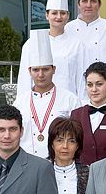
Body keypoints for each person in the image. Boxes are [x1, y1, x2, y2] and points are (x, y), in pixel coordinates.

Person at [14, 30, 84, 159]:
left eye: (45, 69)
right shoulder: (20, 102)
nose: (41, 75)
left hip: (59, 163)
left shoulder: (71, 100)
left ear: (53, 69)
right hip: (26, 162)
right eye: (36, 70)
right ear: (29, 71)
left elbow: (78, 135)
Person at [71, 62, 106, 165]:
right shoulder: (75, 115)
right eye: (90, 85)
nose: (94, 89)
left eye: (99, 84)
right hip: (82, 173)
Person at [40, 0, 82, 99]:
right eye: (54, 13)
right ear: (47, 15)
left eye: (62, 13)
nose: (58, 17)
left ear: (68, 16)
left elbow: (81, 79)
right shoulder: (34, 43)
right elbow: (25, 79)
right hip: (40, 101)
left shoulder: (77, 45)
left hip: (70, 100)